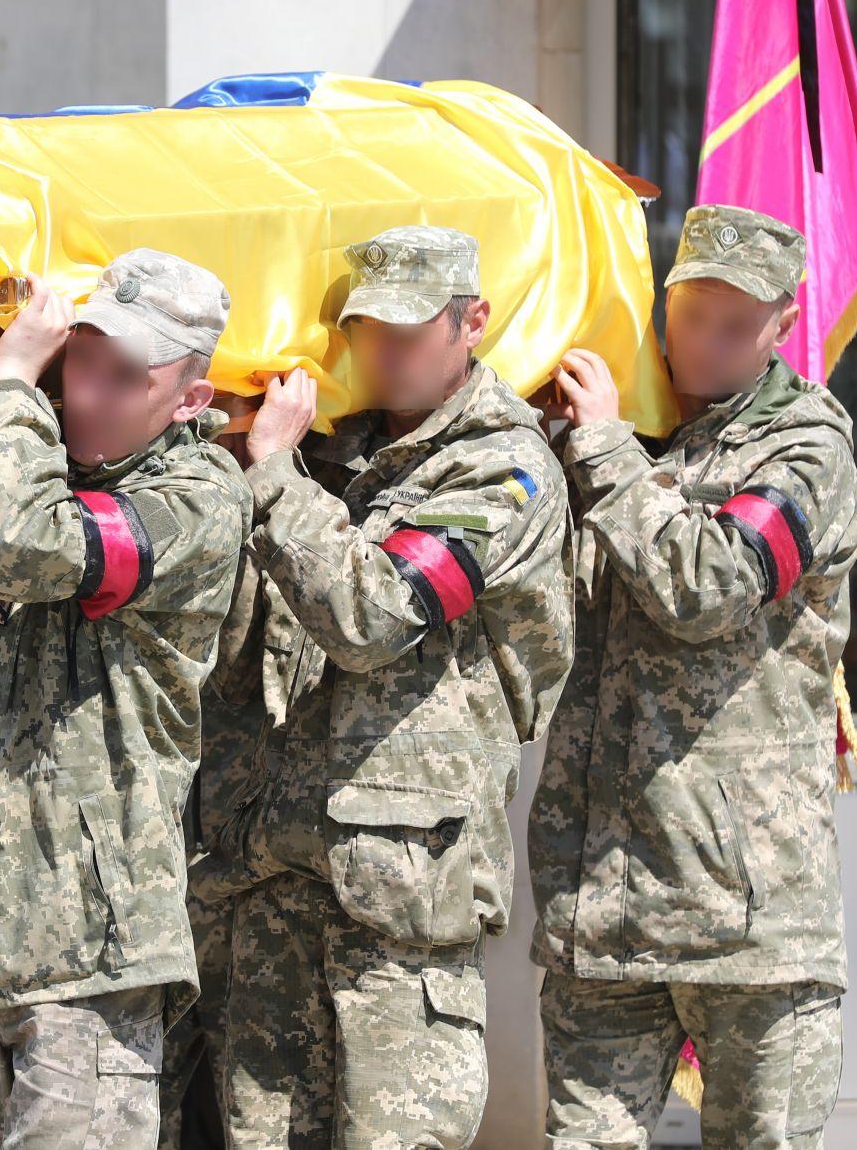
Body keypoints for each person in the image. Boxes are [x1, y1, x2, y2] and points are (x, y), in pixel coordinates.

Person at [0, 251, 250, 1148]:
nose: (86, 393)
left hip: (86, 954)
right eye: (79, 359)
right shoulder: (18, 475)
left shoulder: (195, 496)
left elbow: (31, 550)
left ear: (189, 398)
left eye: (126, 376)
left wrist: (9, 380)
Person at [224, 224, 574, 1150]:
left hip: (405, 900)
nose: (384, 353)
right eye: (368, 331)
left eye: (409, 331)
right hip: (281, 872)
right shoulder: (338, 452)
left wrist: (272, 475)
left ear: (473, 322)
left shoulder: (506, 469)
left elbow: (374, 613)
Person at [529, 205, 857, 1149]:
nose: (704, 343)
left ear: (785, 323)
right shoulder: (633, 429)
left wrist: (604, 449)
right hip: (600, 904)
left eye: (735, 324)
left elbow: (708, 586)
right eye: (690, 315)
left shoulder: (808, 451)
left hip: (747, 918)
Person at [157, 392, 323, 1149]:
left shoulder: (316, 491)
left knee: (264, 1119)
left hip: (252, 874)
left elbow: (242, 653)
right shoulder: (153, 491)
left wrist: (266, 470)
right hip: (155, 879)